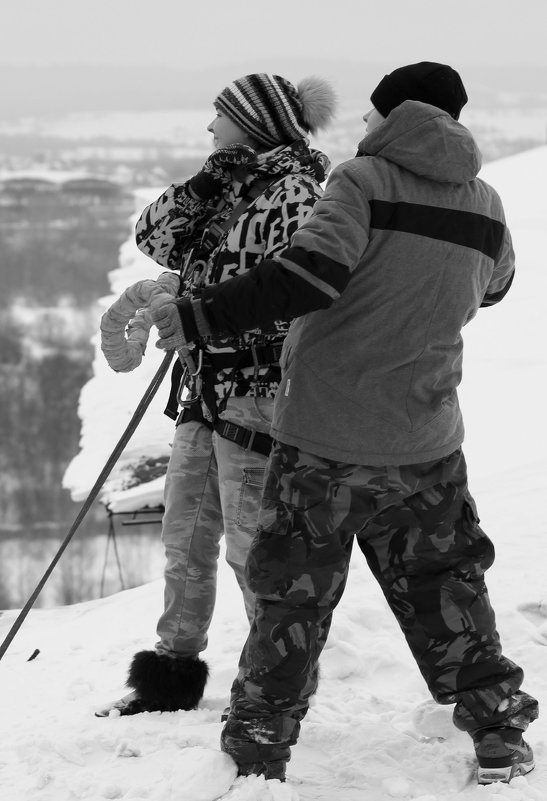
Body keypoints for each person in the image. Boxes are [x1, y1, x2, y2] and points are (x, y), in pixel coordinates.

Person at [147, 61, 537, 784]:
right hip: (425, 438)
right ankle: (498, 731)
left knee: (290, 593)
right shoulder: (485, 203)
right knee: (446, 586)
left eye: (371, 113)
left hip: (324, 436)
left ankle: (258, 745)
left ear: (392, 115)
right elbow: (497, 285)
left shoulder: (359, 183)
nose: (361, 124)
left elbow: (305, 275)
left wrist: (197, 316)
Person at [96, 73, 337, 716]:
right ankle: (171, 672)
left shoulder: (299, 194)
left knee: (251, 551)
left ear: (255, 123)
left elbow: (291, 291)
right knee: (185, 539)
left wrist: (205, 316)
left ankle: (276, 688)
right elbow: (151, 236)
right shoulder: (228, 186)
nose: (210, 127)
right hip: (206, 389)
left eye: (221, 116)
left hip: (256, 392)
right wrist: (206, 181)